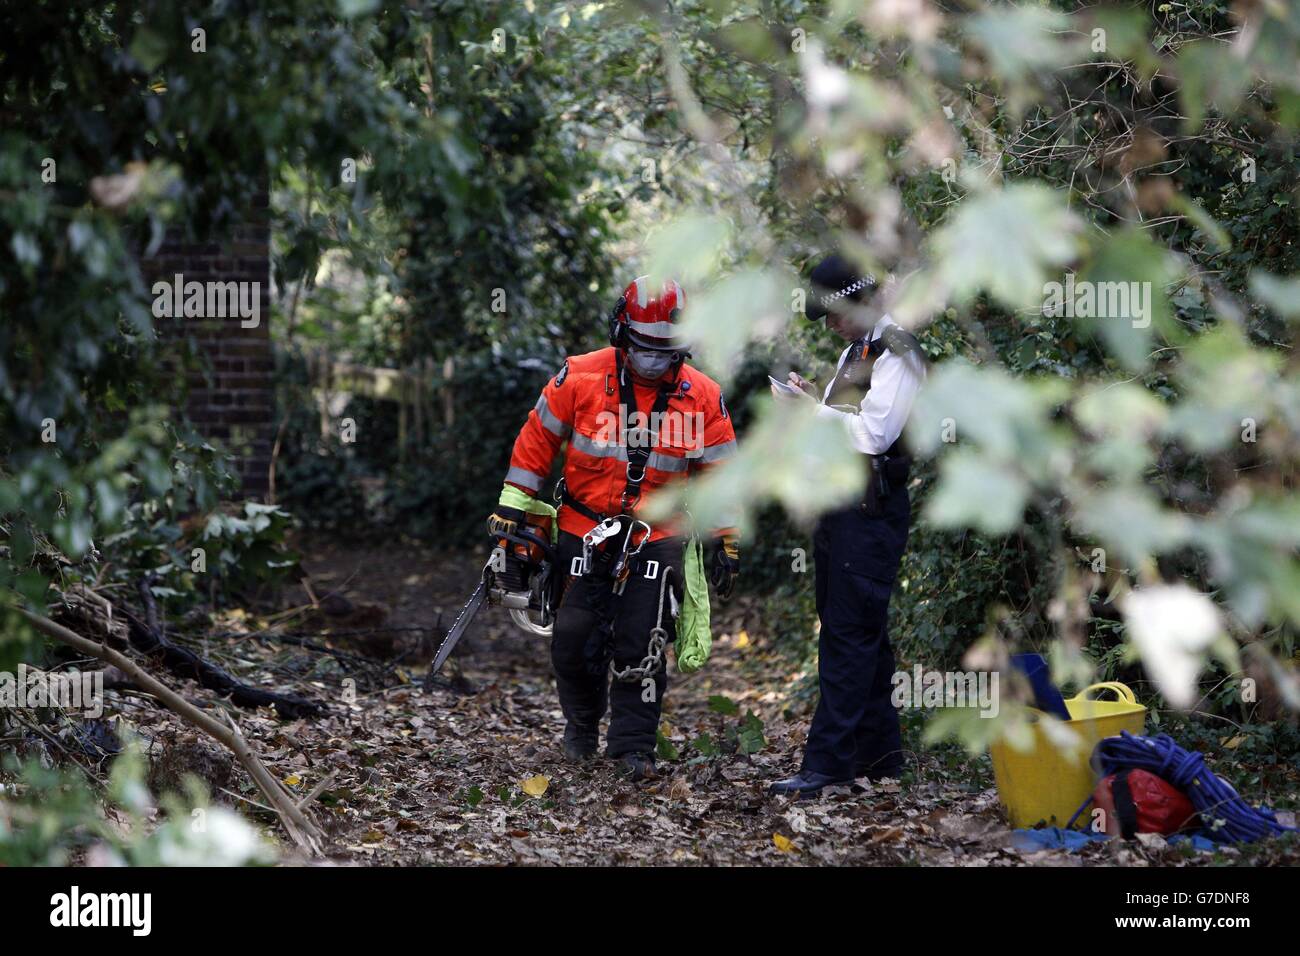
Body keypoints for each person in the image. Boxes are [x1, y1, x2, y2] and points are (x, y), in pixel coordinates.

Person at [488, 277, 740, 781]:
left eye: (664, 351)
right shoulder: (579, 377)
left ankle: (632, 746)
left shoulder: (703, 397)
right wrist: (511, 516)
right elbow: (536, 444)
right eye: (644, 348)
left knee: (642, 641)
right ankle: (581, 725)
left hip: (657, 533)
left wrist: (726, 538)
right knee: (574, 637)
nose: (652, 359)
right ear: (622, 334)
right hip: (584, 525)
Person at [768, 254, 926, 798]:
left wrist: (810, 410)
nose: (831, 325)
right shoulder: (855, 351)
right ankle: (880, 756)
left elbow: (873, 436)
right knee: (861, 633)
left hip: (870, 514)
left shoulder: (898, 352)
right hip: (840, 508)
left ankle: (828, 764)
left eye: (835, 313)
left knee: (847, 634)